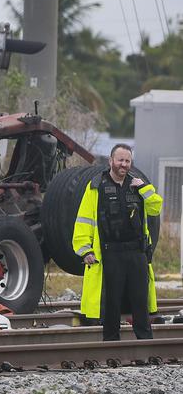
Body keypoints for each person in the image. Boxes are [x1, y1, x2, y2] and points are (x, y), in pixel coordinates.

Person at [72, 144, 163, 341]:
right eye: (120, 160)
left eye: (127, 161)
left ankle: (145, 341)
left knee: (141, 300)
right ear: (111, 161)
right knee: (111, 301)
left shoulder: (138, 186)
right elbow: (84, 220)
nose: (124, 164)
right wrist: (85, 250)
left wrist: (145, 188)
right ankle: (111, 342)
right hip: (110, 253)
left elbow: (156, 208)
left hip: (137, 252)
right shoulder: (96, 186)